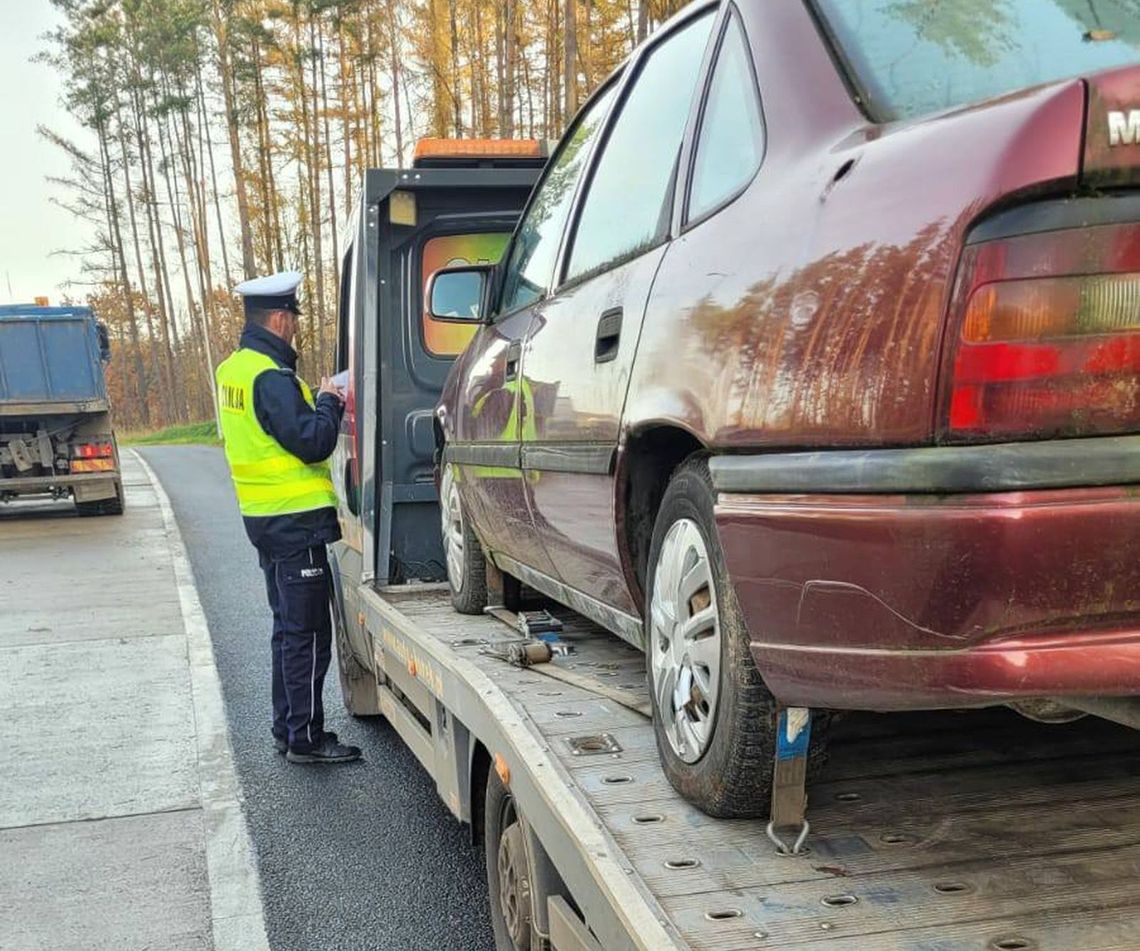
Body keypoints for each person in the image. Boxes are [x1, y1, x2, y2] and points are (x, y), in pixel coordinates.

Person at [215, 271, 361, 764]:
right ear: (280, 319)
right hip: (294, 522)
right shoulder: (270, 377)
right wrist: (329, 401)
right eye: (293, 319)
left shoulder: (233, 370)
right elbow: (313, 441)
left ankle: (287, 728)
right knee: (308, 633)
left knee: (287, 629)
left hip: (265, 519)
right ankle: (304, 738)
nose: (295, 328)